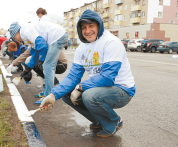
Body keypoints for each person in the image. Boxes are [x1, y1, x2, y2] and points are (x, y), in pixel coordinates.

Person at [39, 9, 136, 137]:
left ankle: (113, 122)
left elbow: (107, 78)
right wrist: (53, 95)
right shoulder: (82, 48)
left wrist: (80, 87)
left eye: (91, 26)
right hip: (100, 88)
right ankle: (99, 120)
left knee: (89, 96)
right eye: (84, 27)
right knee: (67, 93)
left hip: (122, 90)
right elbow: (73, 76)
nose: (87, 31)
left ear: (99, 26)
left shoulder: (111, 42)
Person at [8, 21, 68, 102]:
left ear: (17, 33)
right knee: (43, 65)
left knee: (47, 66)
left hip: (58, 37)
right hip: (58, 36)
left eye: (15, 38)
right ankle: (47, 91)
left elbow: (42, 45)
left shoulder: (26, 31)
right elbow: (35, 54)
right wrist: (27, 69)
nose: (17, 40)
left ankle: (48, 97)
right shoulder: (27, 36)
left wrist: (42, 61)